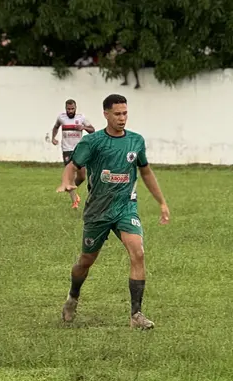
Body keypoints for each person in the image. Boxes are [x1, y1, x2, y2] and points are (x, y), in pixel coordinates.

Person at [57, 93, 171, 329]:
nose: (122, 118)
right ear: (106, 114)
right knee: (85, 261)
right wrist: (68, 182)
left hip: (125, 208)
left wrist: (161, 202)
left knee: (138, 253)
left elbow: (146, 172)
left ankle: (136, 315)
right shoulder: (93, 142)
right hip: (98, 211)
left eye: (125, 113)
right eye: (117, 114)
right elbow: (73, 166)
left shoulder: (136, 141)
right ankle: (73, 297)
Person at [51, 99, 95, 208]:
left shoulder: (81, 118)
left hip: (79, 150)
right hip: (67, 150)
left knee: (82, 176)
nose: (70, 111)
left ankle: (70, 187)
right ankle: (74, 200)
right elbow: (56, 127)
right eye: (68, 109)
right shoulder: (61, 118)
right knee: (70, 176)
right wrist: (53, 138)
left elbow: (92, 130)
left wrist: (83, 127)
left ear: (76, 108)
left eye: (72, 109)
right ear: (65, 109)